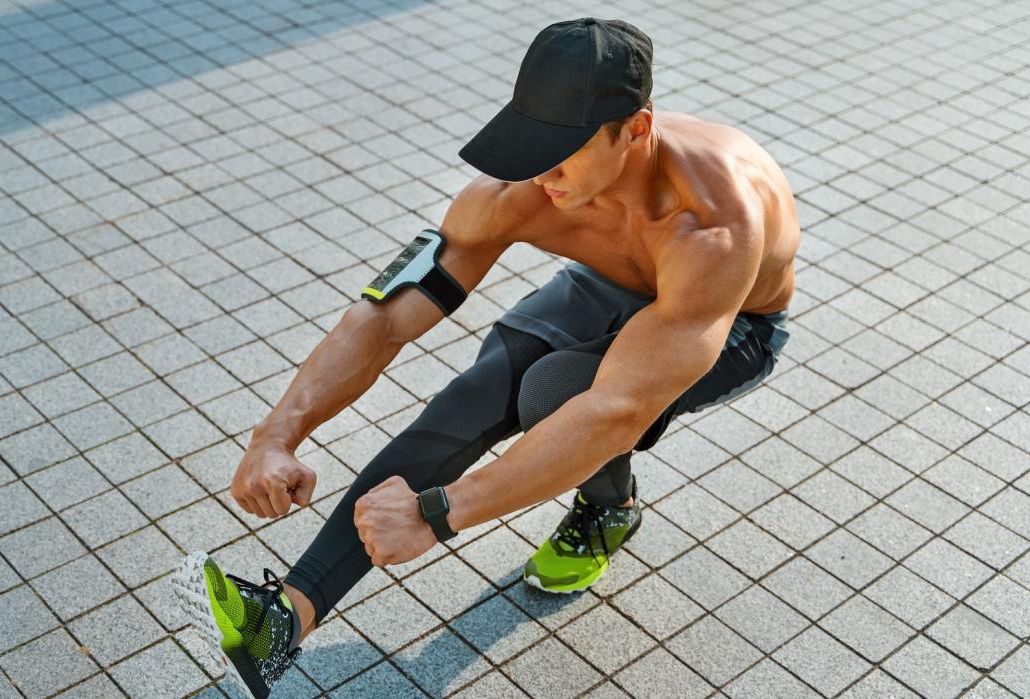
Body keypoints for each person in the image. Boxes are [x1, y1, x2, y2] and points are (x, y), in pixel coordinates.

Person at [172, 17, 798, 699]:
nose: (543, 171)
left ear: (637, 131)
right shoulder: (523, 189)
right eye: (534, 144)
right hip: (601, 283)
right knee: (475, 395)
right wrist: (277, 432)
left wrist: (439, 512)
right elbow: (385, 313)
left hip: (731, 321)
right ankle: (284, 618)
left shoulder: (713, 227)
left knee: (555, 390)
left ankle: (609, 509)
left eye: (564, 151)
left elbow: (616, 410)